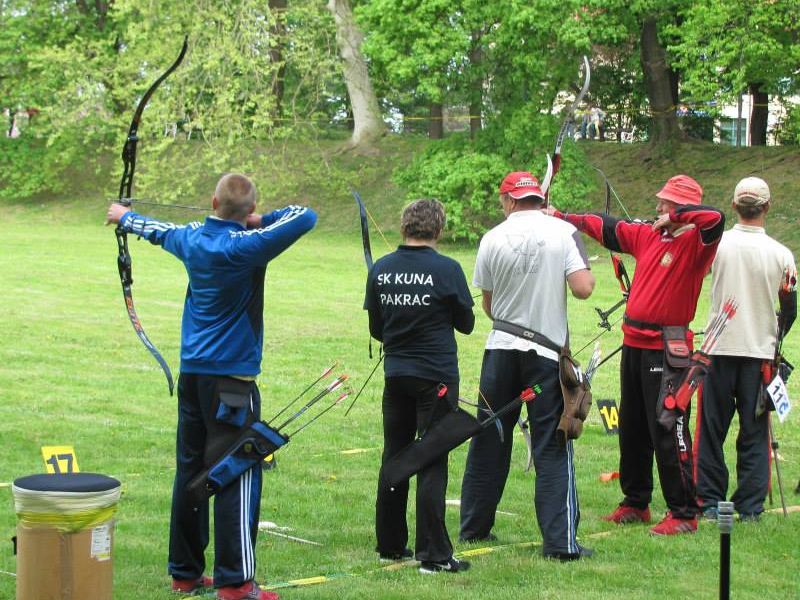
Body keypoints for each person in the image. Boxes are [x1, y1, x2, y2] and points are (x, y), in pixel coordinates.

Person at [106, 174, 316, 600]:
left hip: (193, 377)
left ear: (212, 200)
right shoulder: (248, 245)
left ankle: (184, 573)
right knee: (236, 473)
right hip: (232, 383)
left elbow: (158, 230)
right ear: (248, 210)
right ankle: (236, 584)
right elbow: (304, 215)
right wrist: (261, 219)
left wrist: (125, 216)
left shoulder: (193, 238)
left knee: (191, 469)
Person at [549, 174, 724, 535]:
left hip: (668, 347)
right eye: (662, 202)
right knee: (632, 426)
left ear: (682, 208)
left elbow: (715, 217)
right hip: (635, 344)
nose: (659, 207)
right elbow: (606, 227)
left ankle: (683, 512)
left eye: (668, 202)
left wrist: (678, 217)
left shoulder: (697, 242)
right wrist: (562, 216)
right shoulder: (648, 235)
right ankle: (635, 502)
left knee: (666, 425)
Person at [459, 172, 595, 560]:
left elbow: (488, 305)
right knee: (553, 443)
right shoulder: (563, 232)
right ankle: (560, 544)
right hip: (543, 360)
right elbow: (583, 288)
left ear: (508, 200)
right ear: (538, 197)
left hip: (500, 353)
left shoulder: (492, 237)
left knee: (489, 438)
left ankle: (474, 527)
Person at [364, 199, 475, 574]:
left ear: (404, 227)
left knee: (395, 454)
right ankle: (433, 554)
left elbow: (377, 328)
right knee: (431, 457)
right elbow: (467, 323)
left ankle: (390, 544)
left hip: (396, 374)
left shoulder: (382, 268)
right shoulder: (447, 269)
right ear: (438, 229)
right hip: (436, 376)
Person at [694, 177, 797, 521]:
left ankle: (708, 501)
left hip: (718, 350)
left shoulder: (717, 245)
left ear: (735, 206)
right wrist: (772, 335)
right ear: (767, 207)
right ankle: (750, 507)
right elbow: (790, 308)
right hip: (759, 355)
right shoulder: (783, 254)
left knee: (710, 432)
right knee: (754, 434)